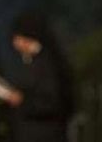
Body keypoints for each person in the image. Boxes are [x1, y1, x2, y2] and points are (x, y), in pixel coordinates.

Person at [6, 10, 74, 142]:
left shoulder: (47, 63)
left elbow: (52, 101)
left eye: (16, 37)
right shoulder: (31, 61)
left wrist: (22, 100)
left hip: (45, 134)